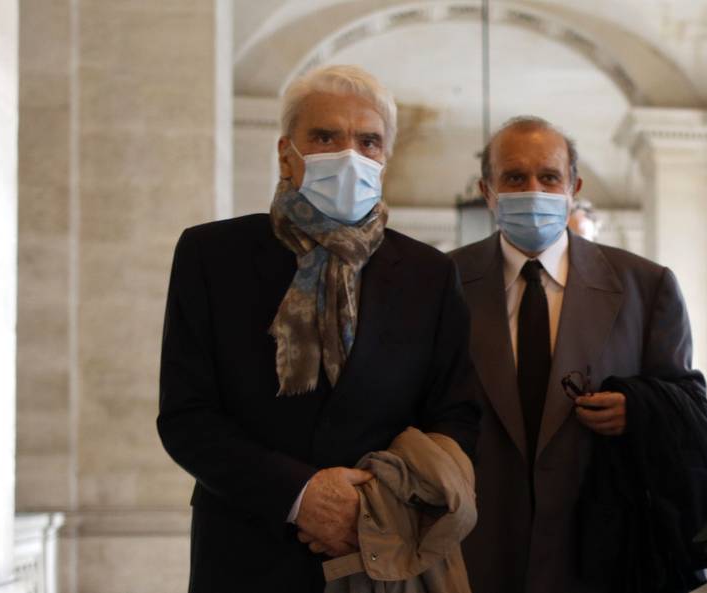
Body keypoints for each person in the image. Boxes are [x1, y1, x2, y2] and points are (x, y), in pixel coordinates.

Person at [157, 65, 481, 593]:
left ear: (384, 159)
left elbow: (457, 415)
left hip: (383, 552)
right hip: (247, 551)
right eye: (326, 136)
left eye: (368, 141)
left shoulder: (429, 273)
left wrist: (373, 502)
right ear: (287, 153)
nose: (349, 154)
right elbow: (186, 417)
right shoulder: (212, 256)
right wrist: (301, 494)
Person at [450, 116, 707, 593]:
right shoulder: (445, 282)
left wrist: (638, 409)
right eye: (514, 177)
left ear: (573, 186)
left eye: (548, 177)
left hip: (602, 548)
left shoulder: (645, 285)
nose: (533, 190)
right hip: (476, 549)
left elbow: (691, 404)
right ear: (488, 191)